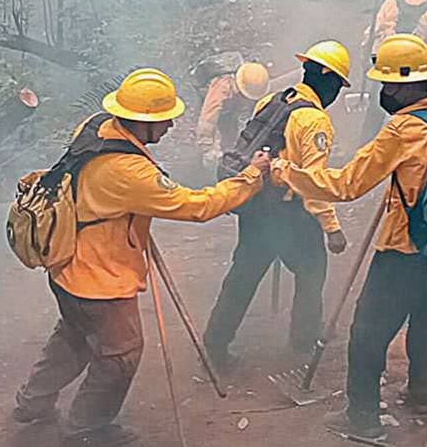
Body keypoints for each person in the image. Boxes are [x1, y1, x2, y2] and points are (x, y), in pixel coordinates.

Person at [14, 68, 271, 446]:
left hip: (67, 267)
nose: (168, 126)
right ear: (141, 121)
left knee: (74, 335)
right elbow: (196, 206)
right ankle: (86, 428)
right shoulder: (129, 171)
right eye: (162, 120)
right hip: (99, 280)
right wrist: (250, 177)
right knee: (121, 354)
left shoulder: (97, 126)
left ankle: (32, 403)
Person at [272, 34, 427, 441]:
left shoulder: (402, 130)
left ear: (405, 85)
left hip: (404, 247)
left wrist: (288, 174)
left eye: (386, 84)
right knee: (426, 315)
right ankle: (423, 393)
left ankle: (363, 419)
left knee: (368, 331)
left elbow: (346, 184)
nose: (382, 92)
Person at [204, 41, 351, 365]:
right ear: (329, 82)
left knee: (243, 274)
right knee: (312, 271)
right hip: (288, 212)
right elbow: (313, 183)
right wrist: (332, 228)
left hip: (256, 203)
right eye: (338, 85)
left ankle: (215, 342)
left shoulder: (275, 99)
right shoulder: (313, 121)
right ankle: (303, 342)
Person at [197, 62, 270, 172]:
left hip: (230, 109)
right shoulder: (221, 88)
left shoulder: (253, 82)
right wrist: (208, 150)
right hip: (211, 103)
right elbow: (207, 120)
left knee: (230, 135)